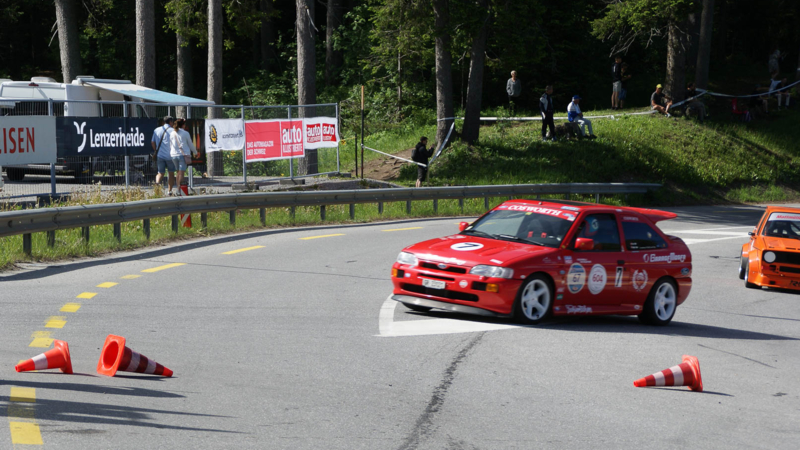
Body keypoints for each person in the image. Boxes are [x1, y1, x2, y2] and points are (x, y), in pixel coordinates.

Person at [169, 118, 198, 192]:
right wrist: (195, 152)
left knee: (178, 172)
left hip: (173, 155)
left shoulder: (172, 133)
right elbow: (190, 144)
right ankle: (179, 190)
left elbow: (170, 145)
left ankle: (178, 188)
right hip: (183, 155)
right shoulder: (185, 133)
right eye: (184, 124)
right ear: (183, 125)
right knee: (181, 173)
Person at [151, 115, 176, 195]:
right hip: (170, 156)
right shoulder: (173, 131)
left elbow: (152, 142)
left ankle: (157, 183)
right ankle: (170, 191)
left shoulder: (157, 130)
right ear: (171, 122)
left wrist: (156, 150)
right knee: (171, 173)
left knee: (160, 173)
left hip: (160, 156)